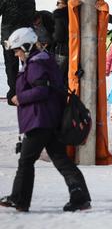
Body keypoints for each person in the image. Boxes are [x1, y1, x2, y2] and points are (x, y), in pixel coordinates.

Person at [0, 28, 91, 212]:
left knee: (26, 160)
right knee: (60, 159)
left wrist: (20, 98)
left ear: (26, 46)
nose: (16, 54)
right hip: (48, 119)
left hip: (39, 120)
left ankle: (20, 199)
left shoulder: (36, 64)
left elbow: (42, 90)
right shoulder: (41, 60)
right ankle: (80, 197)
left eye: (17, 50)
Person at [0, 0, 36, 106]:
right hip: (27, 37)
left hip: (9, 39)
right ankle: (30, 93)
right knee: (28, 66)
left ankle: (14, 95)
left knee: (11, 67)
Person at [53, 0, 76, 84]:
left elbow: (59, 36)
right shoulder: (76, 8)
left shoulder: (61, 14)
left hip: (62, 50)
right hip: (74, 49)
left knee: (58, 77)